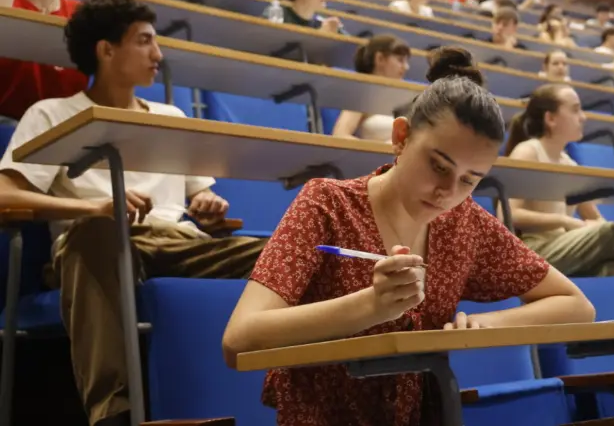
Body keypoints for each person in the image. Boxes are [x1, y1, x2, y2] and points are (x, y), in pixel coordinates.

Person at [222, 48, 595, 424]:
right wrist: (372, 306)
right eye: (437, 165)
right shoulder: (327, 204)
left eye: (469, 180)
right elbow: (239, 341)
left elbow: (576, 306)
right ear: (401, 137)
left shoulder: (465, 223)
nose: (447, 192)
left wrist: (486, 324)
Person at [0, 0, 267, 426]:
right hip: (97, 243)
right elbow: (5, 195)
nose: (157, 55)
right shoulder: (52, 113)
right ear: (106, 50)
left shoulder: (169, 115)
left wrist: (208, 205)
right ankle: (114, 416)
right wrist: (91, 207)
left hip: (179, 243)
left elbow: (206, 204)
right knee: (97, 234)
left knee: (287, 253)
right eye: (144, 42)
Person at [505, 84, 614, 278]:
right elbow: (508, 216)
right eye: (575, 110)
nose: (583, 117)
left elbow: (594, 218)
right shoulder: (527, 151)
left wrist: (594, 225)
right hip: (533, 249)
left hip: (565, 245)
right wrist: (566, 221)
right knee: (612, 233)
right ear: (550, 118)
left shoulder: (570, 164)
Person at [331, 36, 411, 142]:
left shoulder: (408, 98)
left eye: (406, 61)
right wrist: (376, 149)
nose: (406, 67)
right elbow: (339, 135)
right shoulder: (362, 96)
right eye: (400, 60)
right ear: (380, 59)